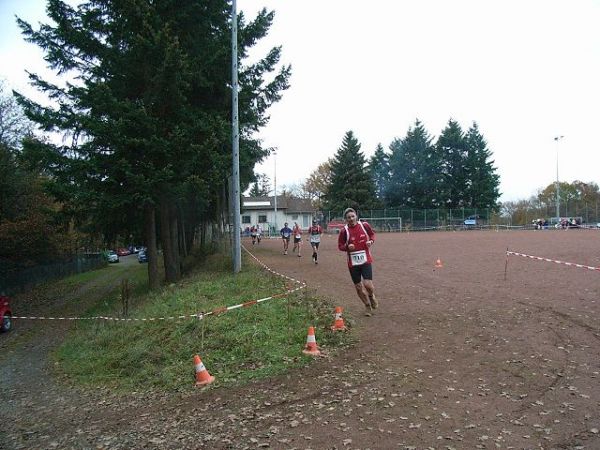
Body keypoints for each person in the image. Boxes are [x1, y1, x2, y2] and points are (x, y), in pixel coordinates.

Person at [338, 207, 378, 316]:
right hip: (353, 263)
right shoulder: (344, 231)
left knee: (368, 284)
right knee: (358, 287)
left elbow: (372, 235)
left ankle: (371, 296)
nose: (351, 219)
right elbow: (340, 246)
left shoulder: (364, 225)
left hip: (365, 259)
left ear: (356, 216)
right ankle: (367, 306)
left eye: (352, 216)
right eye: (348, 217)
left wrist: (371, 241)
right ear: (346, 219)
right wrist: (347, 247)